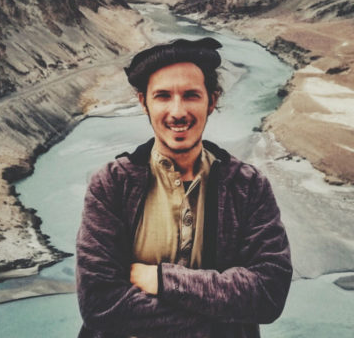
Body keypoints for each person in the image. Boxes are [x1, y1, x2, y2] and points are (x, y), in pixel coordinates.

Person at [76, 37, 293, 338]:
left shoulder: (247, 187)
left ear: (212, 100)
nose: (177, 112)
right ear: (144, 103)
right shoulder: (112, 185)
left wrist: (163, 280)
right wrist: (220, 315)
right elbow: (99, 304)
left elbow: (269, 293)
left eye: (191, 95)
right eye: (163, 96)